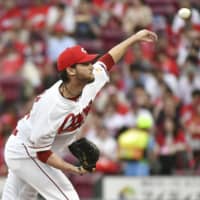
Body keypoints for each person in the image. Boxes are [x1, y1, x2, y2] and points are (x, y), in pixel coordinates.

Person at [2, 29, 157, 200]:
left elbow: (107, 60)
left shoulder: (89, 80)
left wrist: (134, 39)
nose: (91, 65)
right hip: (26, 152)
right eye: (85, 63)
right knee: (67, 197)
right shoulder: (51, 106)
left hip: (31, 150)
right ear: (71, 70)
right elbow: (42, 154)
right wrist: (74, 169)